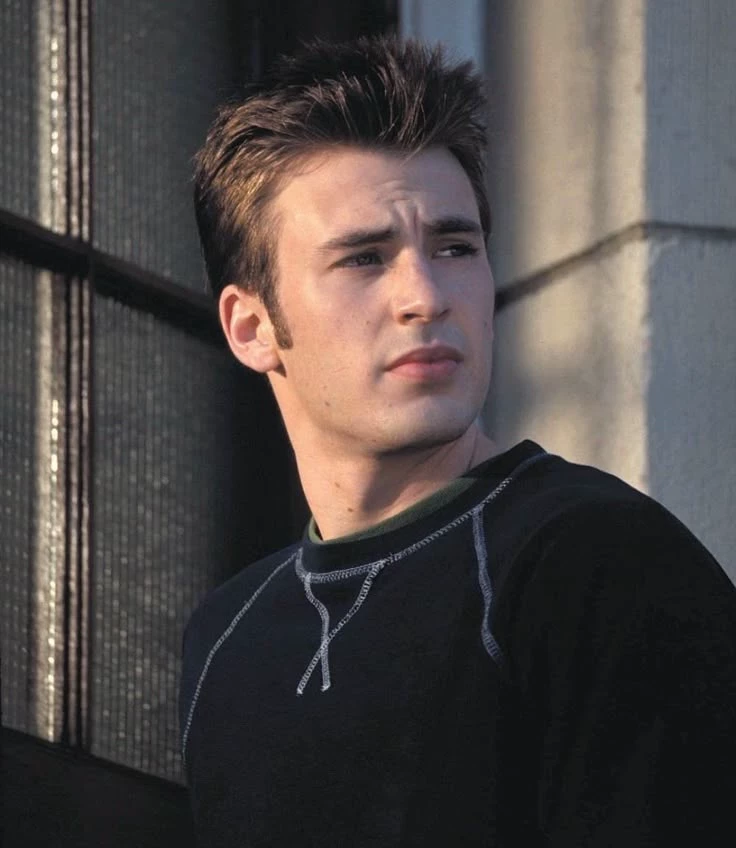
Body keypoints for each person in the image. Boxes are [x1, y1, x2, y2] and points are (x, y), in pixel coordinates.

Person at [179, 36, 736, 847]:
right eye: (364, 258)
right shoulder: (225, 641)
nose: (426, 295)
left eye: (454, 247)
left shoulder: (595, 559)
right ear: (252, 326)